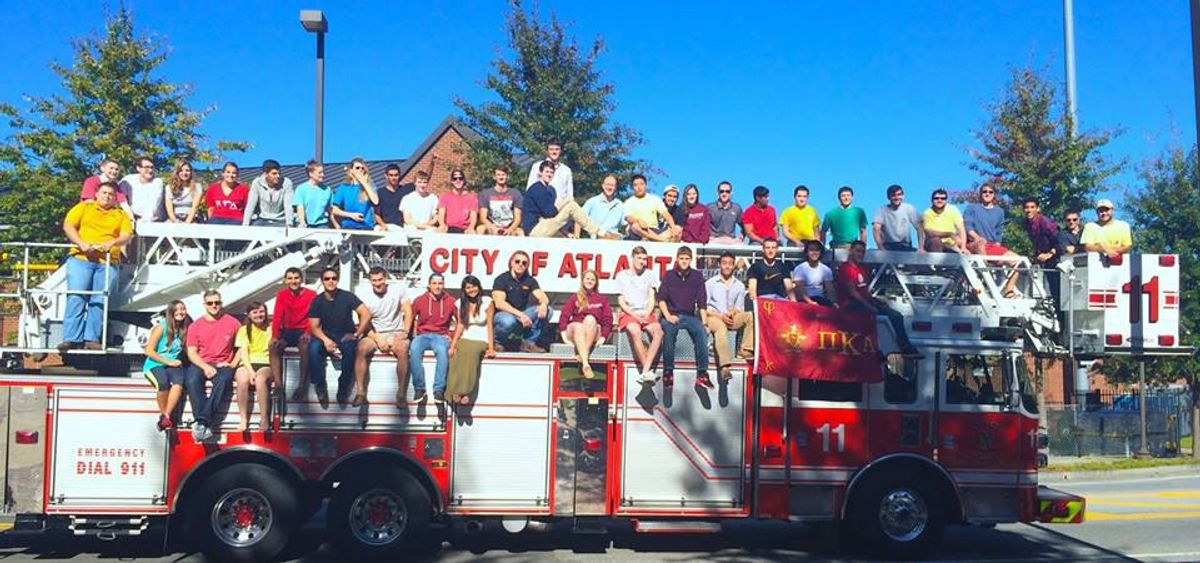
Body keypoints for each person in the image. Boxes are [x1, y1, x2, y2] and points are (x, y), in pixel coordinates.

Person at [59, 181, 133, 352]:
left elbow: (126, 235)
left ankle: (91, 338)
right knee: (77, 297)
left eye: (111, 194)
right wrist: (81, 243)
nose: (107, 197)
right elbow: (68, 225)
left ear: (115, 198)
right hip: (81, 258)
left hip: (107, 261)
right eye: (104, 193)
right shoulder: (83, 208)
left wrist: (111, 243)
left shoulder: (120, 214)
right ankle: (71, 338)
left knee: (100, 300)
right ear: (97, 194)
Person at [837, 241, 920, 356]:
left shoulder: (863, 269)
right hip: (850, 304)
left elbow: (864, 291)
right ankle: (873, 349)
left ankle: (905, 346)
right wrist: (870, 306)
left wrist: (875, 300)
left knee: (896, 315)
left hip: (864, 301)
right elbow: (853, 293)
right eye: (857, 251)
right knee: (870, 314)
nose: (860, 254)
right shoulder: (845, 269)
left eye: (862, 252)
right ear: (851, 251)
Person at [306, 267, 373, 408]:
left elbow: (366, 313)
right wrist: (325, 340)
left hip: (345, 334)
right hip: (325, 334)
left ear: (337, 280)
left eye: (333, 278)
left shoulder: (347, 296)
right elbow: (314, 327)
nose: (331, 281)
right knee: (313, 348)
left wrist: (356, 334)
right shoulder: (317, 301)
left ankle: (343, 387)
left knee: (350, 351)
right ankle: (320, 385)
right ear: (322, 281)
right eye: (327, 279)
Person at [184, 290, 240, 441]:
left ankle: (201, 422)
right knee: (191, 380)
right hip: (201, 362)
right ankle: (205, 423)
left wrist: (232, 364)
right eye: (210, 303)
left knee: (223, 381)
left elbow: (242, 347)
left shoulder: (233, 323)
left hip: (223, 364)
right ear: (205, 305)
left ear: (221, 303)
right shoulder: (195, 326)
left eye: (217, 302)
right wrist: (205, 367)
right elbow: (191, 353)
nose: (214, 306)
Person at [354, 267, 412, 408]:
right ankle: (360, 392)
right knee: (361, 349)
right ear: (370, 281)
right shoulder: (364, 294)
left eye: (380, 280)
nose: (377, 283)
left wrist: (405, 332)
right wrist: (378, 338)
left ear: (385, 278)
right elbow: (364, 323)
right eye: (374, 281)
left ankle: (401, 394)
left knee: (403, 349)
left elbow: (408, 311)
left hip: (395, 331)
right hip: (374, 332)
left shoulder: (398, 289)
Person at [658, 246, 712, 389]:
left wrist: (705, 323)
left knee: (701, 332)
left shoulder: (697, 277)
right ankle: (668, 372)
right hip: (671, 314)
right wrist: (668, 316)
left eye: (687, 258)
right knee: (669, 333)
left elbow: (702, 302)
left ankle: (702, 374)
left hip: (689, 316)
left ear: (691, 260)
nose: (684, 261)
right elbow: (661, 299)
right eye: (681, 258)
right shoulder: (669, 275)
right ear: (677, 259)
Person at [522, 160, 613, 238]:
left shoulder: (549, 190)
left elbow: (552, 217)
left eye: (551, 172)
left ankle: (595, 233)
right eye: (547, 172)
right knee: (571, 206)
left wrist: (566, 233)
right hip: (535, 229)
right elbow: (549, 213)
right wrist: (566, 201)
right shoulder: (537, 188)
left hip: (543, 226)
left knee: (566, 239)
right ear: (541, 172)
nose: (549, 174)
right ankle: (599, 232)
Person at [616, 246, 666, 384]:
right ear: (632, 258)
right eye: (639, 258)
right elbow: (621, 301)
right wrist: (635, 316)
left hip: (646, 313)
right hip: (629, 313)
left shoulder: (650, 274)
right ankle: (648, 372)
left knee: (659, 333)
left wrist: (647, 314)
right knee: (635, 332)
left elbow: (652, 297)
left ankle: (645, 371)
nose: (642, 261)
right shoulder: (622, 275)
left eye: (644, 259)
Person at [408, 273, 458, 404]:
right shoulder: (419, 300)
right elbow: (410, 317)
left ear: (444, 285)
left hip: (440, 335)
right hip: (422, 335)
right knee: (414, 349)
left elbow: (461, 322)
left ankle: (438, 390)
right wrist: (409, 335)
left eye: (440, 283)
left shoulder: (451, 301)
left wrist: (452, 337)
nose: (437, 286)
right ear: (429, 285)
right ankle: (419, 388)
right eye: (434, 283)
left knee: (442, 352)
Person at [446, 276, 496, 406]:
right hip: (466, 336)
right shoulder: (460, 303)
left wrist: (491, 348)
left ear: (479, 287)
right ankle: (454, 390)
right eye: (468, 287)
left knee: (472, 352)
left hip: (481, 338)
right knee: (455, 353)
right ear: (464, 290)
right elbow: (460, 325)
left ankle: (466, 391)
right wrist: (452, 344)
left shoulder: (487, 301)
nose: (472, 290)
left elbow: (490, 325)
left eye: (474, 286)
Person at [142, 300, 191, 432]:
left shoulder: (185, 328)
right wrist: (168, 362)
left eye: (183, 309)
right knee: (162, 383)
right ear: (171, 312)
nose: (181, 312)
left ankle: (166, 416)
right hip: (155, 364)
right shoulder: (161, 327)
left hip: (173, 364)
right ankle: (164, 415)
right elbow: (149, 350)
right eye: (177, 309)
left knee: (178, 383)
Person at [705, 252, 754, 381]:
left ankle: (745, 350)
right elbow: (704, 308)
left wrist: (734, 312)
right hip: (714, 317)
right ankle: (725, 367)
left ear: (734, 266)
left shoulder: (739, 285)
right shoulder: (710, 283)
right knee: (721, 329)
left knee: (749, 316)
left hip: (730, 318)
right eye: (724, 263)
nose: (727, 266)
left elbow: (739, 308)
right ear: (719, 265)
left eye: (730, 264)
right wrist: (720, 316)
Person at [492, 251, 552, 352]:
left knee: (548, 310)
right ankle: (498, 343)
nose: (520, 264)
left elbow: (543, 296)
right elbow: (499, 303)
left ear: (527, 266)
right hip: (504, 315)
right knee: (508, 322)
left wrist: (543, 304)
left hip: (521, 315)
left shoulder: (529, 280)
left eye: (524, 263)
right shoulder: (501, 279)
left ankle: (529, 343)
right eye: (517, 261)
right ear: (511, 263)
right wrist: (520, 315)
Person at [271, 268, 316, 403]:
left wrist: (308, 332)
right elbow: (277, 316)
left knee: (304, 346)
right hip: (287, 331)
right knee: (273, 347)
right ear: (285, 280)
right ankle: (278, 385)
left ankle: (302, 385)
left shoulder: (311, 294)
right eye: (290, 278)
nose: (293, 281)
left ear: (301, 280)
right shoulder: (281, 295)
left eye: (296, 278)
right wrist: (275, 335)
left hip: (303, 330)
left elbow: (314, 316)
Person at [559, 271, 613, 379]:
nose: (590, 281)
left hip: (592, 331)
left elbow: (608, 319)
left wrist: (604, 336)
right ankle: (586, 362)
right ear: (582, 280)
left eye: (592, 279)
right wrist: (563, 334)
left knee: (590, 318)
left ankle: (583, 360)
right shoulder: (575, 297)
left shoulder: (602, 299)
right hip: (575, 331)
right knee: (578, 325)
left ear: (596, 282)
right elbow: (564, 315)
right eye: (587, 278)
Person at [233, 302, 273, 431]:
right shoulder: (244, 330)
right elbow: (243, 353)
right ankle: (244, 418)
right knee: (242, 380)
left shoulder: (271, 328)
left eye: (261, 311)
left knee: (261, 380)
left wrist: (255, 375)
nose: (259, 315)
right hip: (247, 363)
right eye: (255, 312)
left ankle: (264, 417)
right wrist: (250, 372)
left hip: (265, 363)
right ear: (249, 315)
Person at [1022, 198, 1063, 302]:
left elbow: (1059, 240)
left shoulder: (1045, 222)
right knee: (1051, 290)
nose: (1029, 210)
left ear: (1038, 209)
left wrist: (1049, 254)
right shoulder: (1026, 223)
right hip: (1045, 259)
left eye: (1032, 207)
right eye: (1026, 208)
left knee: (1058, 289)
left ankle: (1062, 317)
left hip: (1057, 257)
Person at [623, 174, 679, 242]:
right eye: (635, 185)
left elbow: (666, 214)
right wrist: (639, 220)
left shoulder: (655, 199)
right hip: (638, 231)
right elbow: (628, 218)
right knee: (635, 226)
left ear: (646, 185)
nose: (639, 187)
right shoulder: (629, 202)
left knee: (676, 229)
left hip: (654, 230)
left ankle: (651, 238)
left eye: (641, 184)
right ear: (633, 187)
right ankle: (661, 240)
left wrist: (673, 228)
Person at [331, 158, 381, 230]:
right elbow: (334, 210)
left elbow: (376, 201)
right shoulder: (344, 188)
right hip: (349, 226)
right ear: (351, 170)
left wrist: (364, 182)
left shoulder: (369, 187)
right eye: (357, 168)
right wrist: (351, 215)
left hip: (366, 226)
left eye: (362, 168)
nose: (360, 170)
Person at [964, 183, 1012, 256]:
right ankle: (986, 266)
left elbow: (999, 232)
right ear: (980, 194)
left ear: (994, 194)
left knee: (1016, 260)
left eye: (990, 192)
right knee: (981, 245)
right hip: (974, 244)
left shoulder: (999, 211)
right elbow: (968, 227)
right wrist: (978, 238)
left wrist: (997, 244)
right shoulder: (971, 208)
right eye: (985, 192)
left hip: (992, 246)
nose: (987, 194)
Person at [244, 159, 295, 227]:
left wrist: (289, 224)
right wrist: (245, 224)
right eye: (274, 174)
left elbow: (289, 206)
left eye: (279, 173)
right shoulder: (256, 183)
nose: (278, 176)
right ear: (265, 174)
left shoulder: (287, 183)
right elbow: (251, 205)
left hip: (281, 220)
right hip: (262, 220)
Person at [873, 184, 924, 252]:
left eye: (899, 194)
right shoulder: (882, 210)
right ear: (888, 197)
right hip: (888, 246)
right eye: (893, 195)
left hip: (905, 245)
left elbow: (920, 227)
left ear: (903, 196)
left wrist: (921, 248)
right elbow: (876, 229)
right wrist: (881, 248)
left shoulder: (909, 208)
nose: (897, 197)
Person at [476, 165, 524, 236]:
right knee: (480, 229)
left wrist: (510, 229)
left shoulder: (515, 193)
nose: (501, 177)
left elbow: (517, 218)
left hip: (509, 226)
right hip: (492, 226)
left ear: (507, 176)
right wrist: (493, 227)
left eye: (503, 175)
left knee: (520, 232)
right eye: (498, 175)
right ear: (494, 177)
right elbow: (483, 217)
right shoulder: (485, 194)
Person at [119, 156, 164, 223]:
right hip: (131, 218)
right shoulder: (128, 180)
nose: (150, 170)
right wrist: (130, 217)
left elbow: (154, 204)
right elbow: (121, 199)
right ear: (138, 168)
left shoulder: (157, 182)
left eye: (152, 167)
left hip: (154, 220)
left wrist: (144, 221)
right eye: (146, 167)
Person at [922, 189, 967, 253]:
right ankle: (937, 263)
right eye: (936, 198)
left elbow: (961, 229)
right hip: (933, 245)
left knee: (961, 256)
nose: (939, 200)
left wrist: (963, 247)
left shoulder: (953, 210)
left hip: (951, 245)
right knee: (935, 241)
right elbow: (929, 232)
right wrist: (949, 234)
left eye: (943, 198)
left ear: (946, 200)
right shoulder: (927, 213)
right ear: (932, 200)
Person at [792, 240, 835, 306]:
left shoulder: (826, 270)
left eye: (817, 250)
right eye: (811, 250)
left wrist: (833, 303)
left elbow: (830, 290)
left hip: (820, 300)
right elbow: (800, 289)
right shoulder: (800, 269)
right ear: (807, 252)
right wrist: (810, 302)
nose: (814, 253)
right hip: (804, 301)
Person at [294, 160, 334, 228]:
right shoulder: (301, 189)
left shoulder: (327, 190)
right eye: (320, 173)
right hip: (306, 225)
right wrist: (302, 222)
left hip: (322, 225)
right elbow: (300, 207)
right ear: (311, 173)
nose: (323, 175)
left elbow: (330, 210)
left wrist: (335, 224)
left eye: (323, 172)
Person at [437, 169, 478, 233]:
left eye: (460, 178)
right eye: (455, 178)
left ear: (464, 180)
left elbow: (473, 217)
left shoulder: (472, 198)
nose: (458, 180)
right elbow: (441, 215)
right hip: (449, 228)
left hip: (465, 229)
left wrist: (471, 227)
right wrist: (442, 225)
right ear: (451, 181)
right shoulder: (445, 197)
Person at [375, 163, 412, 231]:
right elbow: (376, 214)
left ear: (399, 175)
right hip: (385, 226)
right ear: (386, 176)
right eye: (391, 175)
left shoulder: (405, 189)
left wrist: (432, 163)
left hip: (400, 228)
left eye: (396, 175)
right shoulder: (380, 192)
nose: (394, 178)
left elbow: (423, 179)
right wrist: (383, 225)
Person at [708, 181, 744, 245]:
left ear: (731, 193)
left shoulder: (737, 208)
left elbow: (744, 225)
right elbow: (704, 225)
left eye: (727, 191)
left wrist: (741, 238)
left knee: (740, 245)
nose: (724, 194)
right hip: (714, 240)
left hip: (731, 240)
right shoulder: (710, 208)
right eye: (722, 191)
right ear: (717, 193)